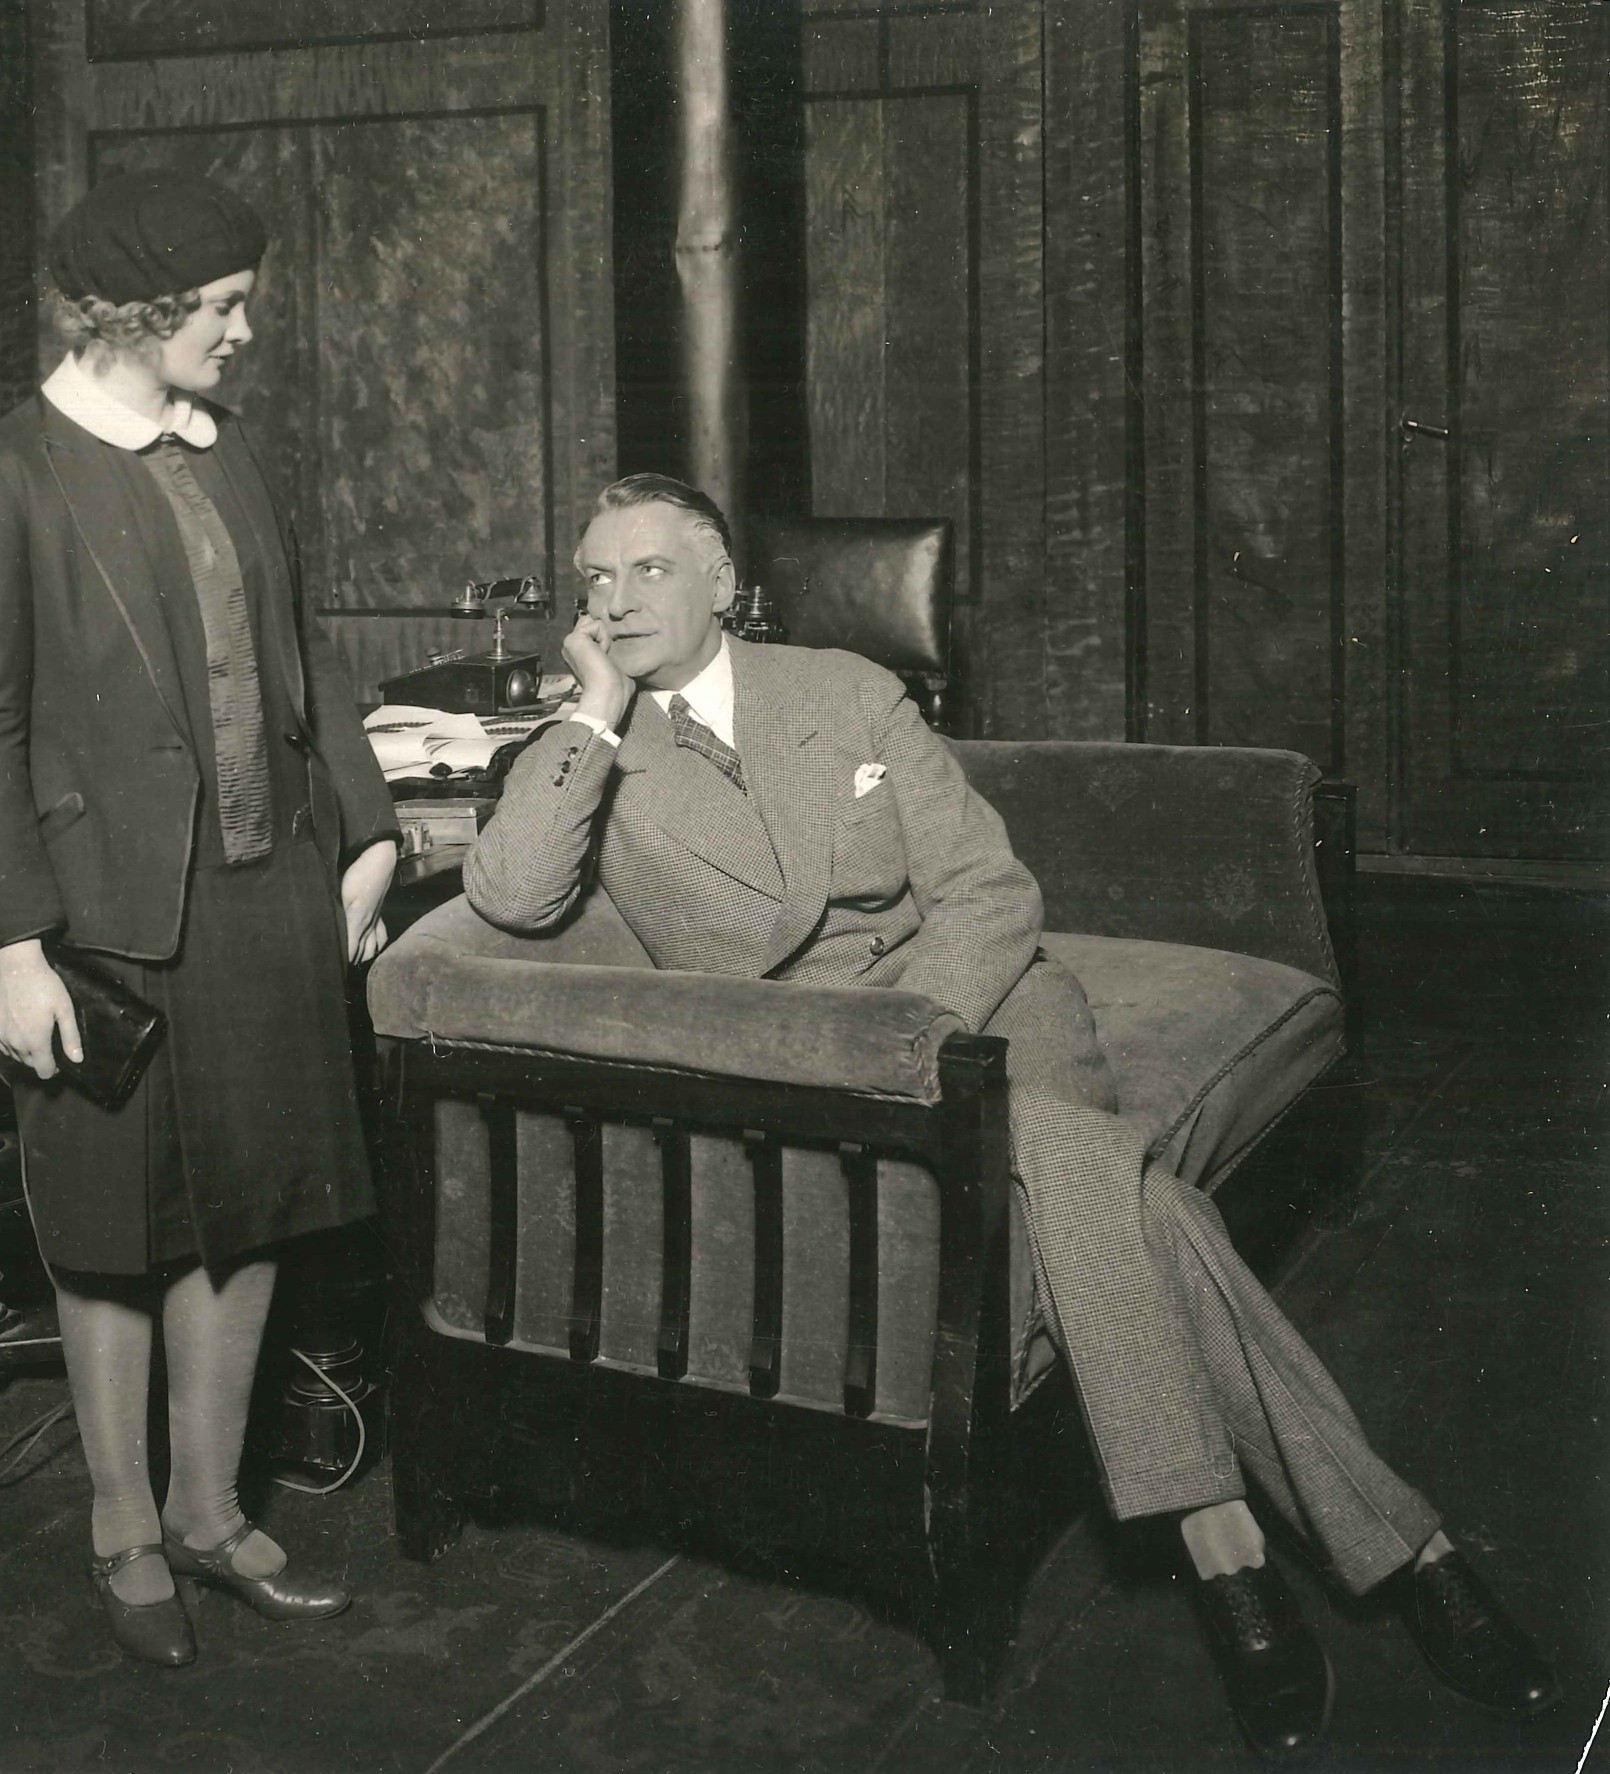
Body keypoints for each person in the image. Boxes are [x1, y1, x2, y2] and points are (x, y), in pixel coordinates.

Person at [464, 473, 1558, 1758]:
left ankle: (1236, 1546)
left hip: (988, 1003)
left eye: (649, 568)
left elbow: (987, 888)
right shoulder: (589, 753)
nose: (617, 597)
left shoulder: (845, 689)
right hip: (827, 1057)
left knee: (1071, 1154)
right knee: (1118, 1181)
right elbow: (512, 893)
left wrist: (922, 1023)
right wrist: (594, 713)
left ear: (721, 580)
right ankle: (1378, 1548)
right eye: (595, 578)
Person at [0, 173, 399, 1668]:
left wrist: (368, 839)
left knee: (253, 1203)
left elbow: (304, 654)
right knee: (110, 1232)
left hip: (265, 896)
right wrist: (14, 947)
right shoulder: (5, 475)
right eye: (223, 307)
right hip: (106, 920)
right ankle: (123, 1522)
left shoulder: (227, 449)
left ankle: (207, 1509)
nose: (245, 331)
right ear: (136, 314)